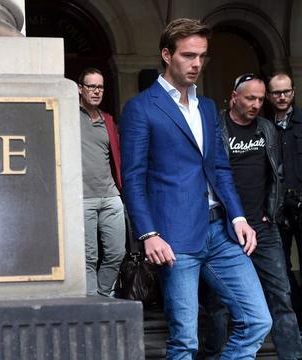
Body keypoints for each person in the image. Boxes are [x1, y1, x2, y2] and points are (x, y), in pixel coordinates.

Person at [119, 18, 271, 358]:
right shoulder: (141, 108)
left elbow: (219, 168)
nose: (197, 64)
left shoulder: (206, 107)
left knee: (258, 320)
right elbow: (133, 177)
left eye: (202, 56)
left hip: (221, 232)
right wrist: (148, 234)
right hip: (175, 238)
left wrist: (238, 218)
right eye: (188, 55)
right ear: (166, 54)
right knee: (184, 342)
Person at [201, 74, 302, 359]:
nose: (256, 104)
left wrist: (272, 212)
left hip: (263, 227)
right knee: (218, 302)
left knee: (281, 296)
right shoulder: (214, 128)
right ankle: (213, 354)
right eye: (250, 98)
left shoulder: (267, 129)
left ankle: (292, 356)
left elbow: (277, 176)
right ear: (234, 97)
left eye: (260, 99)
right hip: (225, 228)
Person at [77, 67, 126, 297]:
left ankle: (103, 296)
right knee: (88, 257)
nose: (96, 91)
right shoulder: (69, 116)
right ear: (80, 89)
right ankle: (91, 307)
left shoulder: (107, 120)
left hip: (110, 196)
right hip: (82, 198)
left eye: (100, 87)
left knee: (117, 253)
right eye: (91, 86)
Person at [265, 72, 302, 330]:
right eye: (277, 92)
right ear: (269, 95)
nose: (282, 96)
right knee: (281, 270)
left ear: (293, 92)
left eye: (286, 91)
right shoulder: (263, 126)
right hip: (276, 208)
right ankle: (296, 319)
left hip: (301, 203)